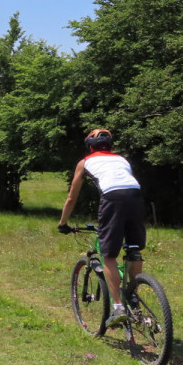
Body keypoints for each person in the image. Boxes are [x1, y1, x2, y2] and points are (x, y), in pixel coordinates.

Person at [57, 128, 145, 327]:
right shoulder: (123, 160)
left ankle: (118, 308)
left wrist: (63, 223)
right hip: (136, 197)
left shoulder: (86, 162)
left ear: (90, 147)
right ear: (111, 146)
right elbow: (125, 184)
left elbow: (72, 197)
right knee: (133, 248)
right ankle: (133, 297)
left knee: (109, 256)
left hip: (112, 199)